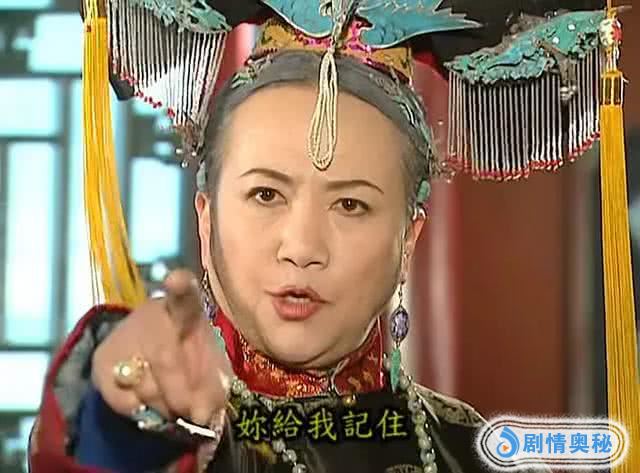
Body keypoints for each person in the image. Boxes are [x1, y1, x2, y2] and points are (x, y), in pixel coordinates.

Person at [29, 1, 611, 472]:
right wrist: (122, 410)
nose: (303, 248)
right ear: (206, 220)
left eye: (351, 205)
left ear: (408, 240)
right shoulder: (175, 438)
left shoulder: (474, 453)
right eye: (266, 195)